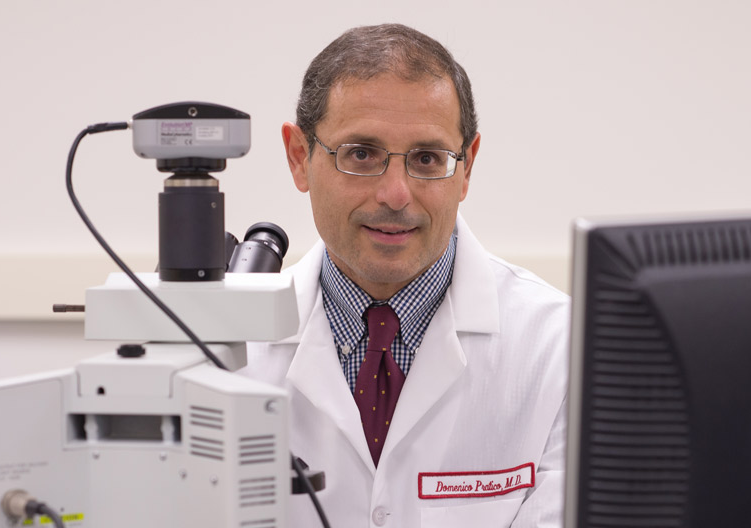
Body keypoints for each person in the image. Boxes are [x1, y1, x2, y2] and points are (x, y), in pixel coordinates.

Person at [240, 23, 569, 527]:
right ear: (299, 157)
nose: (396, 193)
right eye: (361, 154)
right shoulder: (226, 353)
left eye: (426, 159)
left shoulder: (560, 350)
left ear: (467, 167)